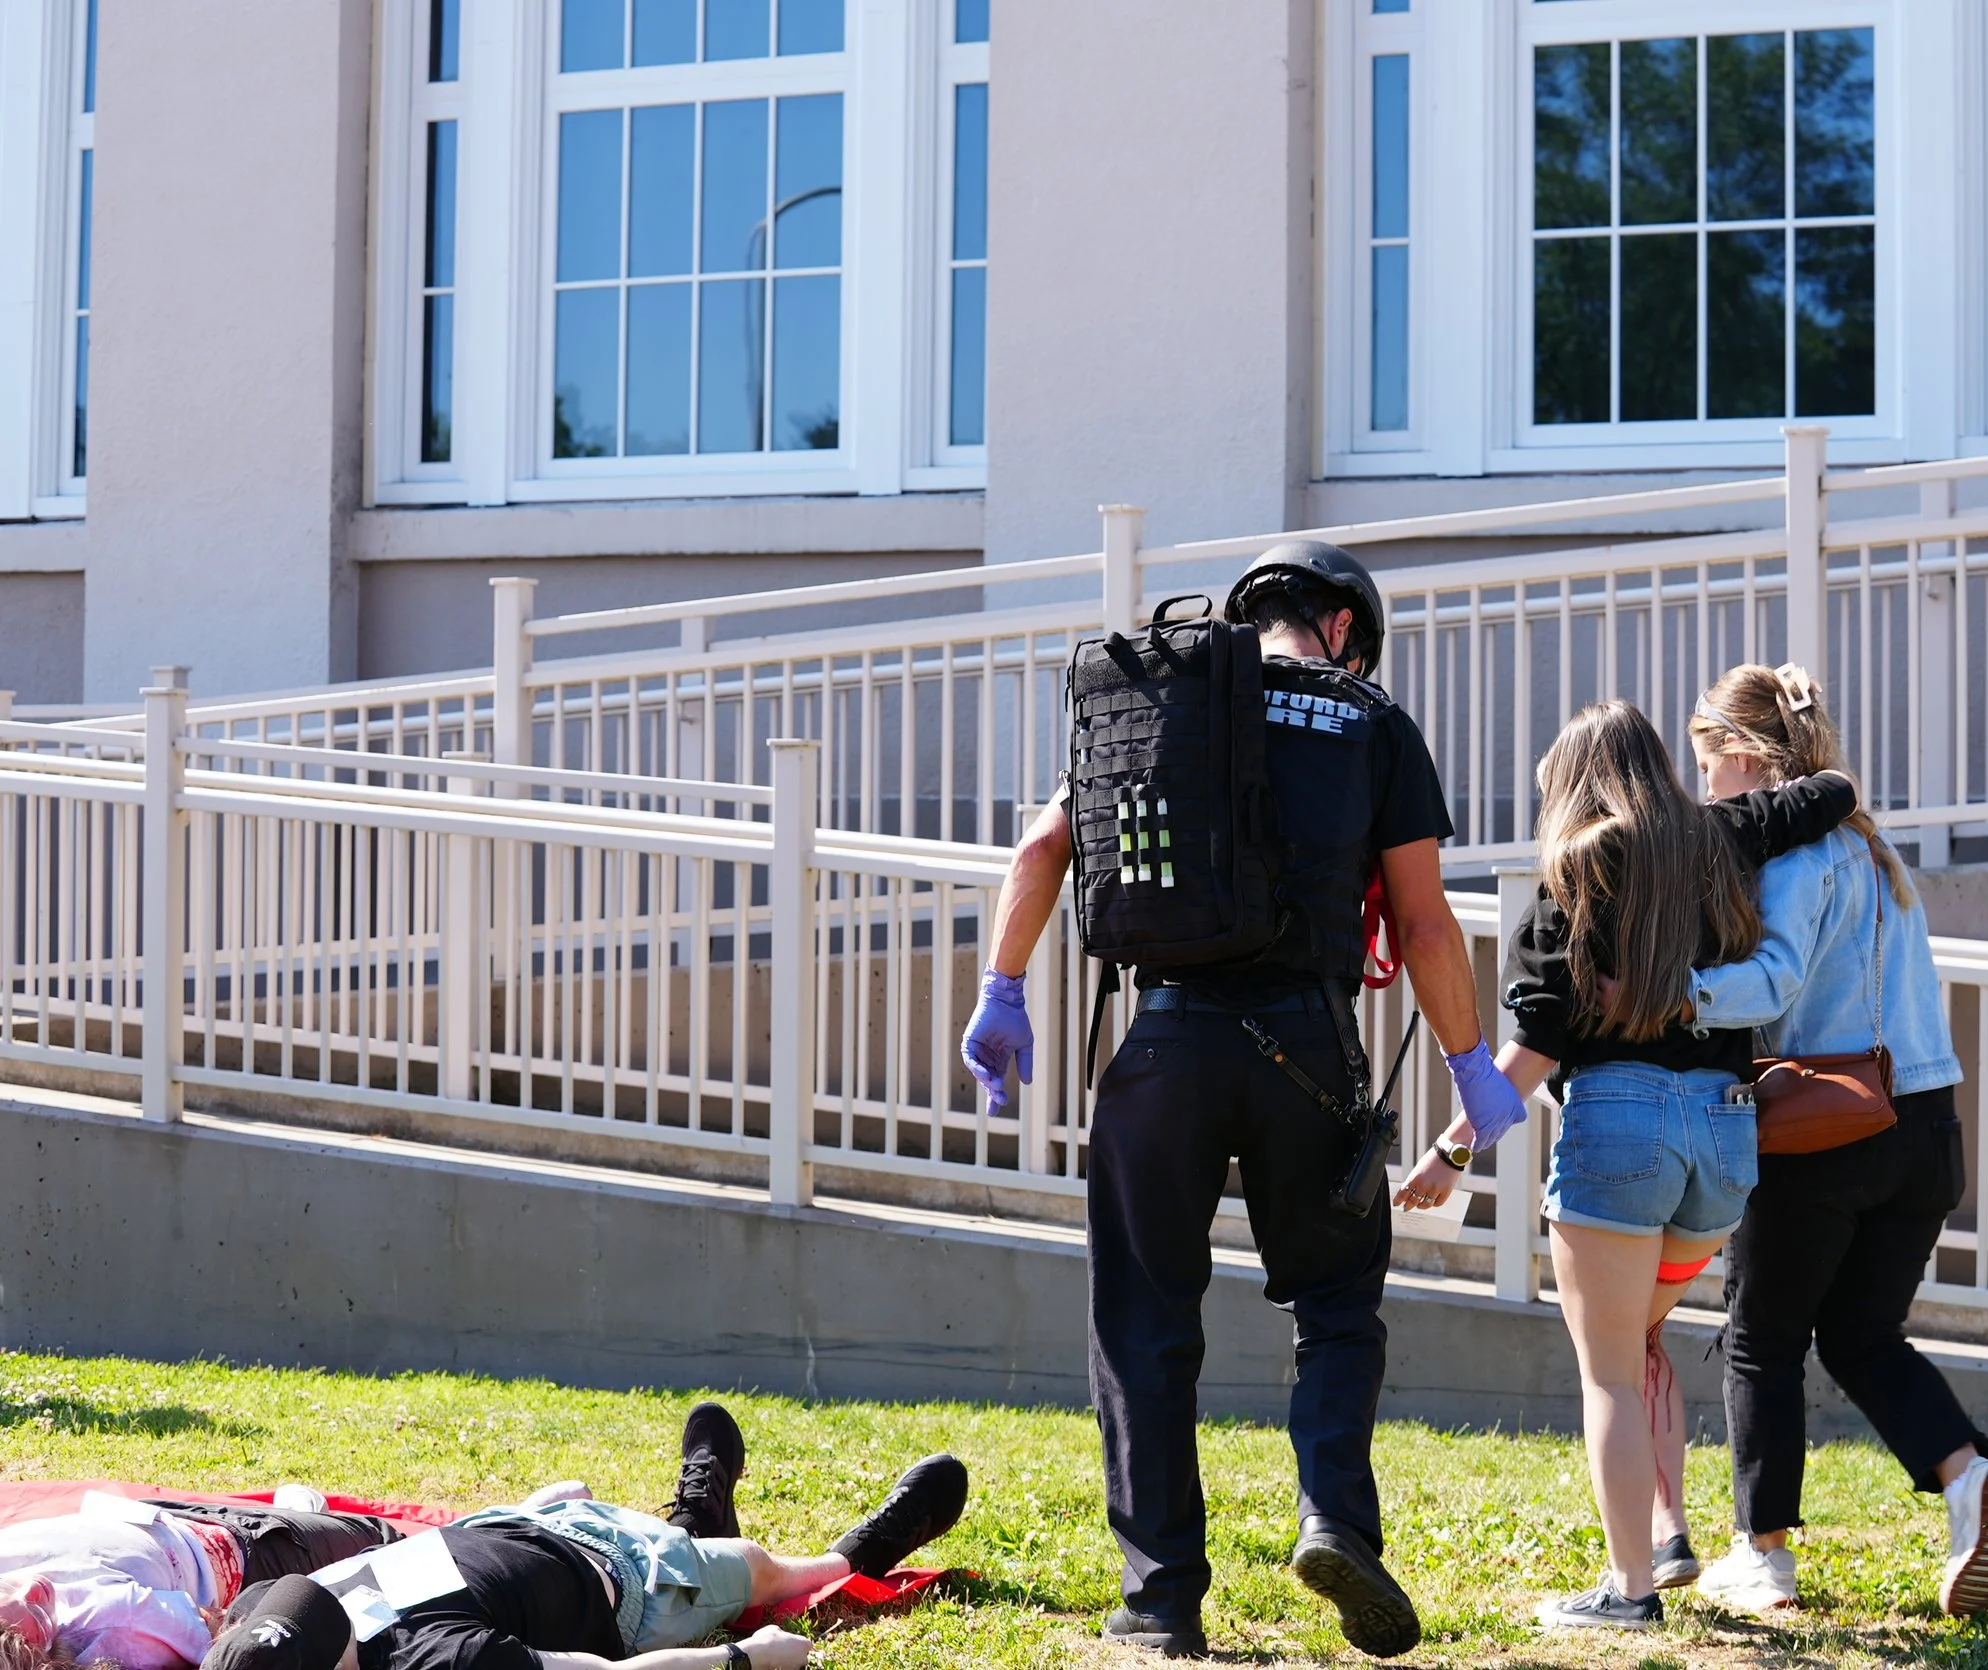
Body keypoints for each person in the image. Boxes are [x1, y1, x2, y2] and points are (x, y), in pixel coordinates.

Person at [959, 541, 1528, 1660]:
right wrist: (1471, 1066)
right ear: (1345, 626)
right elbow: (1421, 923)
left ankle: (1161, 1601)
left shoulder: (1166, 696)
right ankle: (1333, 1522)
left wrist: (1001, 987)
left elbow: (1041, 845)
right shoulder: (1372, 722)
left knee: (1144, 1319)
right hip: (1307, 1050)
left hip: (1162, 1044)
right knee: (1333, 1307)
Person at [1392, 701, 1858, 1631]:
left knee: (1605, 1368)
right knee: (1642, 1340)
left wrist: (1448, 1155)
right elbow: (1835, 792)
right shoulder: (1723, 837)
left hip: (1622, 1131)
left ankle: (1629, 1591)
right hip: (1726, 1145)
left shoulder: (1569, 878)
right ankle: (1671, 1534)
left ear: (1573, 786)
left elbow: (1527, 1059)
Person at [1680, 662, 1988, 1617]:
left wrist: (1675, 996)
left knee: (1760, 1338)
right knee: (1864, 1333)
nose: (1705, 787)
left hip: (1826, 1127)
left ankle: (1765, 1555)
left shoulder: (1794, 858)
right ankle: (1966, 1477)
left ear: (1745, 758)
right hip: (1928, 1125)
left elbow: (1780, 981)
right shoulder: (1877, 851)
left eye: (1709, 764)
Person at [196, 1403, 967, 1670]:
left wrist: (518, 1512)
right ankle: (860, 1549)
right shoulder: (438, 1659)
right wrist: (743, 1657)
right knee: (760, 1571)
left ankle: (703, 1503)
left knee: (687, 1533)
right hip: (633, 1579)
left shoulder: (264, 1617)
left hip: (521, 1524)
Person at [0, 1493, 401, 1669]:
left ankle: (300, 1516)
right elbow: (221, 1628)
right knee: (381, 1538)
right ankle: (305, 1520)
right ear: (35, 1655)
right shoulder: (114, 1626)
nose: (31, 1587)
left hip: (147, 1516)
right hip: (242, 1546)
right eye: (32, 1613)